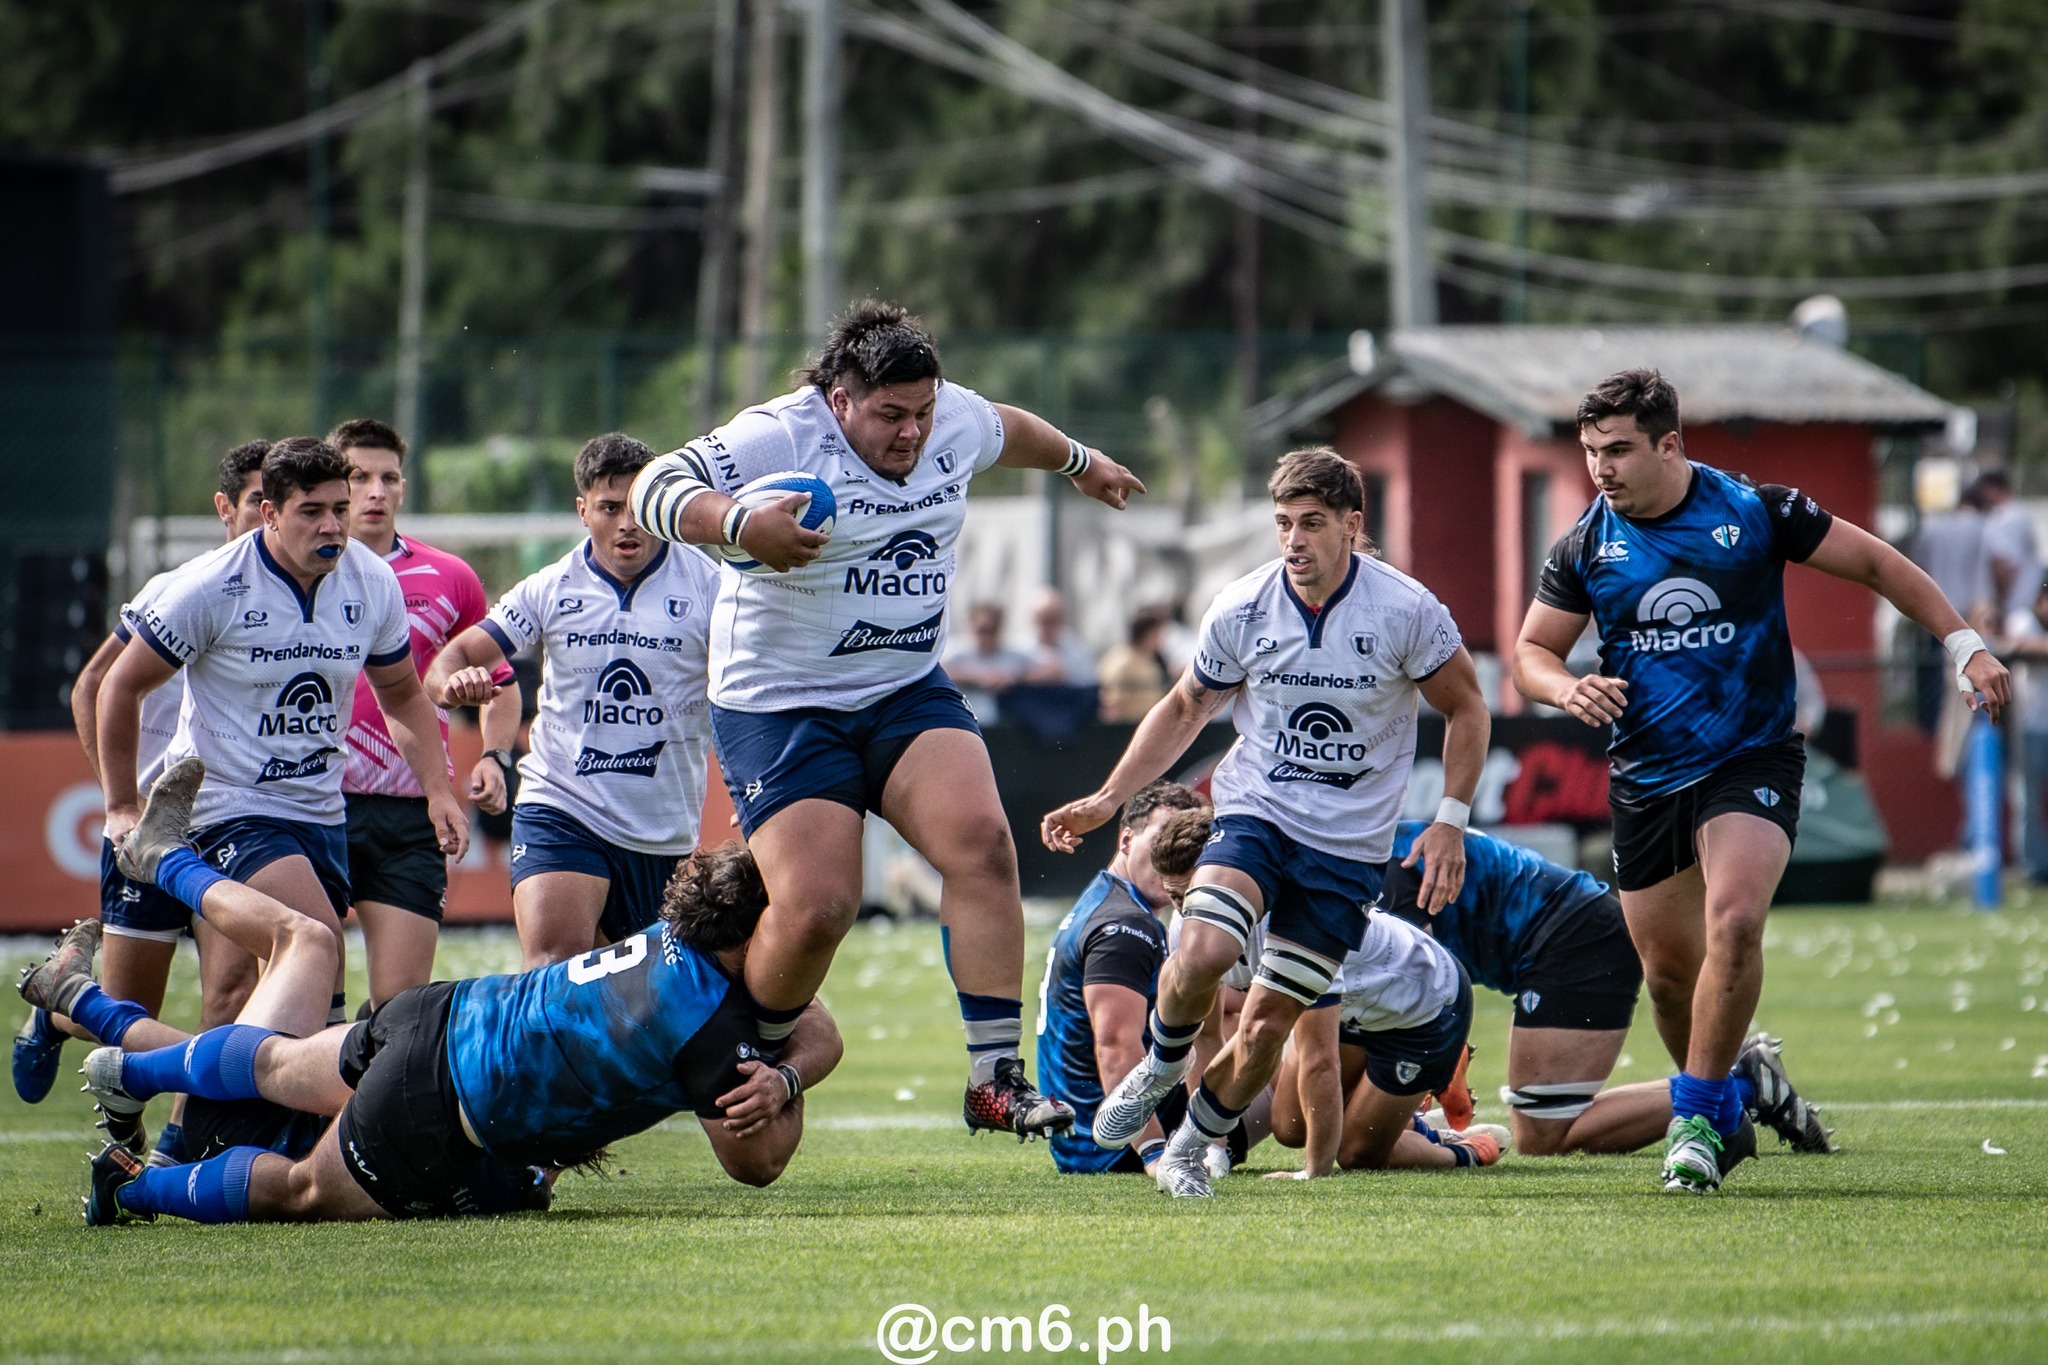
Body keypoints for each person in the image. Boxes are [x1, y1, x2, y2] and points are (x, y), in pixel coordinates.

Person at [627, 301, 1145, 1138]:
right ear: (839, 401)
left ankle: (992, 1077)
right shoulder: (781, 435)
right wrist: (739, 523)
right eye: (891, 414)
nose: (912, 432)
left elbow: (1011, 429)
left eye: (923, 412)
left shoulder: (953, 421)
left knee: (983, 844)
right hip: (780, 701)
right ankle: (752, 1048)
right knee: (821, 905)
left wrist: (1082, 462)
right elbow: (652, 485)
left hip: (903, 685)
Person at [1513, 368, 2008, 1193]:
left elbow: (1877, 563)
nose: (1601, 467)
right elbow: (1532, 651)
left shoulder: (1754, 510)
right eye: (1592, 450)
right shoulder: (1585, 544)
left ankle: (1695, 1123)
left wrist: (1964, 644)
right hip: (1647, 776)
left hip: (1752, 757)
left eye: (1619, 449)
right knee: (1669, 978)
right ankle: (1732, 1096)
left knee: (1736, 920)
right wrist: (1564, 688)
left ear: (1670, 444)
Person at [69, 773, 836, 1224]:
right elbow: (760, 1161)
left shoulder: (674, 937)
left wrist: (786, 1067)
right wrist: (782, 1076)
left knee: (274, 1062)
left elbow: (818, 1027)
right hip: (439, 1102)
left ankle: (127, 1058)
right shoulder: (713, 1026)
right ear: (759, 933)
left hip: (441, 1011)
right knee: (303, 1189)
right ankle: (133, 1187)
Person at [1041, 447, 1491, 1197]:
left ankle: (1190, 1149)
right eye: (1283, 523)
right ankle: (1161, 1065)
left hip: (1347, 849)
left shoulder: (1407, 609)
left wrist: (1450, 820)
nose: (1294, 539)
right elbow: (1185, 707)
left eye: (1311, 523)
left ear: (1352, 524)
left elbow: (1467, 707)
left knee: (1267, 1025)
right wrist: (1109, 797)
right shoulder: (1243, 605)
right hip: (1258, 811)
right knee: (1205, 948)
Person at [15, 441, 270, 1130]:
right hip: (147, 835)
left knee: (234, 991)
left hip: (226, 826)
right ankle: (58, 1011)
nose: (269, 517)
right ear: (225, 509)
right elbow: (92, 687)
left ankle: (186, 1142)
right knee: (126, 1017)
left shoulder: (292, 602)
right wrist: (120, 804)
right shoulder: (180, 588)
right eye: (256, 502)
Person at [426, 434, 718, 969]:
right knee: (555, 968)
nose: (627, 525)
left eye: (639, 508)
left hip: (662, 829)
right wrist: (452, 684)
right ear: (583, 511)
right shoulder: (551, 586)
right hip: (562, 804)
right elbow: (454, 657)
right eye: (609, 508)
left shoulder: (709, 586)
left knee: (648, 999)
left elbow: (749, 688)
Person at [1382, 821, 1829, 1157]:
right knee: (1543, 1125)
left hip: (1573, 938)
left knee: (1545, 1134)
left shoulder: (1386, 868)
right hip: (1562, 935)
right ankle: (1736, 1084)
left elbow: (1420, 997)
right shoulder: (1379, 851)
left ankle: (1745, 1085)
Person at [333, 418, 521, 1006]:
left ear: (403, 486)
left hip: (413, 811)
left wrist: (494, 756)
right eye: (359, 477)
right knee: (307, 996)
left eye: (388, 478)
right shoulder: (301, 575)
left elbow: (502, 684)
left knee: (399, 1008)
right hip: (315, 804)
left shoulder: (451, 577)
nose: (375, 492)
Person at [1035, 781, 1210, 1175]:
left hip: (1086, 1139)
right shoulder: (1125, 926)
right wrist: (1153, 1154)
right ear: (1127, 839)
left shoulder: (1108, 900)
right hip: (1111, 1145)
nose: (1171, 855)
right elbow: (1115, 1048)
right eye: (1161, 839)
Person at [1266, 911, 1503, 1174]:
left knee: (1355, 1155)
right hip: (1356, 1001)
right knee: (1291, 1127)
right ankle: (1414, 1124)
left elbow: (1316, 1059)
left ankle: (1465, 1152)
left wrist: (1313, 1172)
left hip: (1423, 1011)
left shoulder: (1299, 929)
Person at [945, 601, 1033, 723]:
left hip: (1005, 720)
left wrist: (1013, 678)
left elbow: (1046, 669)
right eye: (983, 630)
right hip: (965, 717)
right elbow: (941, 672)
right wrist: (977, 678)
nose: (987, 636)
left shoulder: (1013, 654)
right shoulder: (956, 652)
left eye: (992, 630)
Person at [1095, 606, 1172, 723]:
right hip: (1128, 724)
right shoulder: (1123, 661)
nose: (1161, 639)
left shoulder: (1150, 658)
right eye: (1157, 633)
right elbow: (1111, 703)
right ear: (1146, 634)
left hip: (1149, 720)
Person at [1022, 587, 1096, 685]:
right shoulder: (1019, 647)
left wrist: (1065, 674)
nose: (1049, 626)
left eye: (1054, 619)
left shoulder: (1076, 648)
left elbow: (1090, 679)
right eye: (1045, 620)